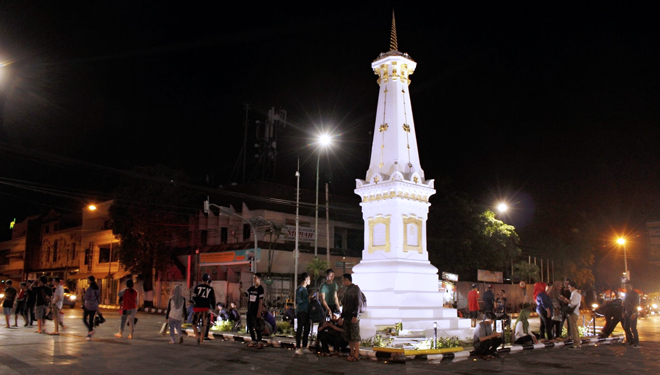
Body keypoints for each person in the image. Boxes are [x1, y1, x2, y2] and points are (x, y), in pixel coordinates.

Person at [339, 273, 362, 362]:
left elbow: (358, 303)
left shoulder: (355, 289)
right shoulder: (346, 290)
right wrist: (342, 317)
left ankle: (356, 354)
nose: (342, 282)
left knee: (355, 336)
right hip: (347, 316)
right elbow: (345, 305)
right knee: (349, 336)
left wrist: (355, 315)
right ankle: (352, 352)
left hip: (353, 316)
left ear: (346, 280)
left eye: (343, 280)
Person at [191, 273, 215, 344]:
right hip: (206, 308)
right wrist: (212, 307)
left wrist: (197, 302)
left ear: (202, 279)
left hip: (197, 307)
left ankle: (197, 336)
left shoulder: (197, 287)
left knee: (194, 323)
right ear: (208, 280)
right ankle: (201, 339)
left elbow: (194, 297)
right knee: (204, 324)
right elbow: (212, 299)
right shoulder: (210, 289)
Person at [246, 273, 265, 349]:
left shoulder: (260, 289)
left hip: (255, 310)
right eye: (253, 278)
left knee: (257, 326)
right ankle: (253, 340)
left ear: (259, 279)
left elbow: (260, 301)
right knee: (250, 326)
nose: (254, 280)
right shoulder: (251, 288)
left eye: (255, 278)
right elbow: (245, 294)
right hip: (250, 309)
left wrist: (259, 311)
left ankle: (260, 341)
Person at [561, 281, 582, 350]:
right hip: (575, 312)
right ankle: (577, 342)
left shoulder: (574, 294)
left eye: (569, 287)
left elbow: (573, 303)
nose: (568, 288)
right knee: (575, 328)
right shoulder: (576, 293)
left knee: (573, 328)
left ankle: (576, 343)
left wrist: (565, 299)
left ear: (573, 287)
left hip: (573, 313)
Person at [295, 272, 312, 355]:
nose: (310, 281)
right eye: (309, 279)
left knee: (307, 329)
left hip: (306, 311)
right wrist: (307, 298)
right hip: (301, 311)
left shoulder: (305, 289)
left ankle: (304, 346)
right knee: (300, 329)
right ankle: (298, 347)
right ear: (305, 279)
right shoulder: (300, 289)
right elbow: (298, 301)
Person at [622, 283, 640, 348]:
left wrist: (634, 313)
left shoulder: (635, 294)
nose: (626, 288)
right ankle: (630, 341)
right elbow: (624, 304)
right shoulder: (626, 294)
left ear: (631, 286)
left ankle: (637, 343)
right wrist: (623, 312)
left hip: (632, 313)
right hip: (627, 313)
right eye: (625, 286)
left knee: (633, 328)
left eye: (628, 286)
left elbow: (637, 305)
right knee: (626, 327)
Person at [83, 275, 101, 340]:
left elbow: (86, 297)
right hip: (94, 305)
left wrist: (84, 293)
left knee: (85, 319)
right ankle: (89, 335)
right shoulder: (97, 288)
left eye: (88, 280)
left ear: (90, 281)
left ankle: (90, 331)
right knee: (91, 320)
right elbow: (98, 297)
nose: (87, 281)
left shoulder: (89, 289)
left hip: (88, 305)